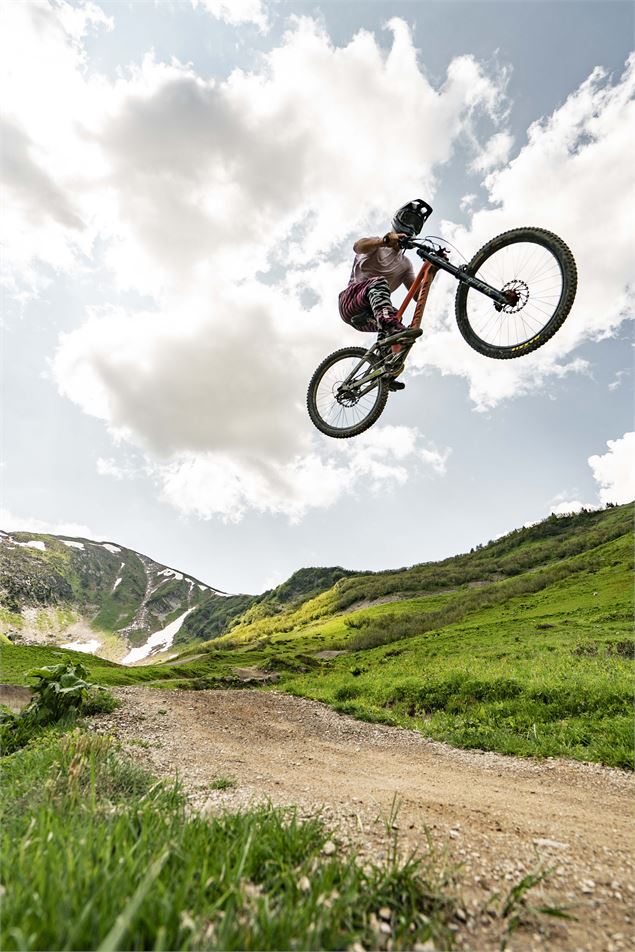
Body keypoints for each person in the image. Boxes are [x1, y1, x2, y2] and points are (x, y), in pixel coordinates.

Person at [338, 200, 430, 391]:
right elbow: (358, 246)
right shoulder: (377, 245)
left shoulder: (405, 264)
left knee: (397, 319)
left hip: (368, 317)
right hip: (350, 302)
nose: (411, 226)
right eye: (408, 219)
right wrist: (384, 240)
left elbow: (416, 295)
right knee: (379, 285)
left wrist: (432, 271)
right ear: (397, 220)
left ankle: (381, 371)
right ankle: (390, 326)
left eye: (416, 223)